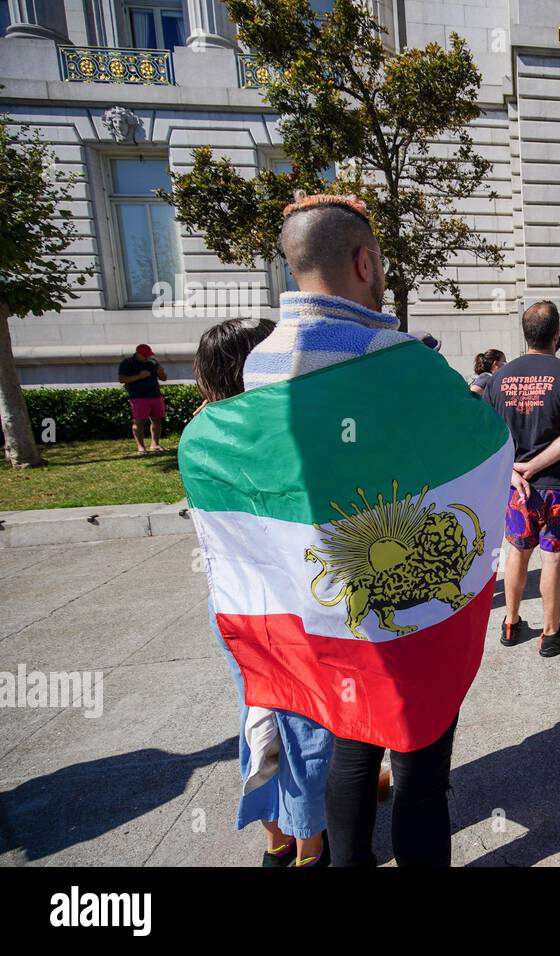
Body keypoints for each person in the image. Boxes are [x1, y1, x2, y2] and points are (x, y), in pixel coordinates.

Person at [242, 194, 427, 866]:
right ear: (365, 260)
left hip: (313, 592)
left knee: (349, 743)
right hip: (399, 591)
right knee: (417, 758)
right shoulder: (397, 355)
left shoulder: (258, 362)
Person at [193, 317, 336, 868]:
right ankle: (310, 848)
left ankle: (276, 841)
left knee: (257, 714)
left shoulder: (203, 432)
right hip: (290, 603)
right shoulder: (283, 432)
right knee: (305, 725)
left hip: (232, 603)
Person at [485, 301, 560, 658]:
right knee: (553, 558)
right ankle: (550, 633)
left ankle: (511, 622)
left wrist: (514, 469)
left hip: (515, 486)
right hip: (558, 484)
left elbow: (487, 434)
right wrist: (535, 466)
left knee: (515, 551)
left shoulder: (500, 377)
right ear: (557, 332)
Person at [118, 343, 167, 453]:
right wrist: (139, 376)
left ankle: (155, 444)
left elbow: (164, 378)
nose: (147, 357)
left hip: (155, 395)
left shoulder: (153, 362)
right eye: (144, 355)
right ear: (138, 353)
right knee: (139, 422)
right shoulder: (127, 363)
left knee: (157, 420)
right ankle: (141, 447)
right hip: (138, 397)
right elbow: (122, 379)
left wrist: (161, 372)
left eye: (148, 355)